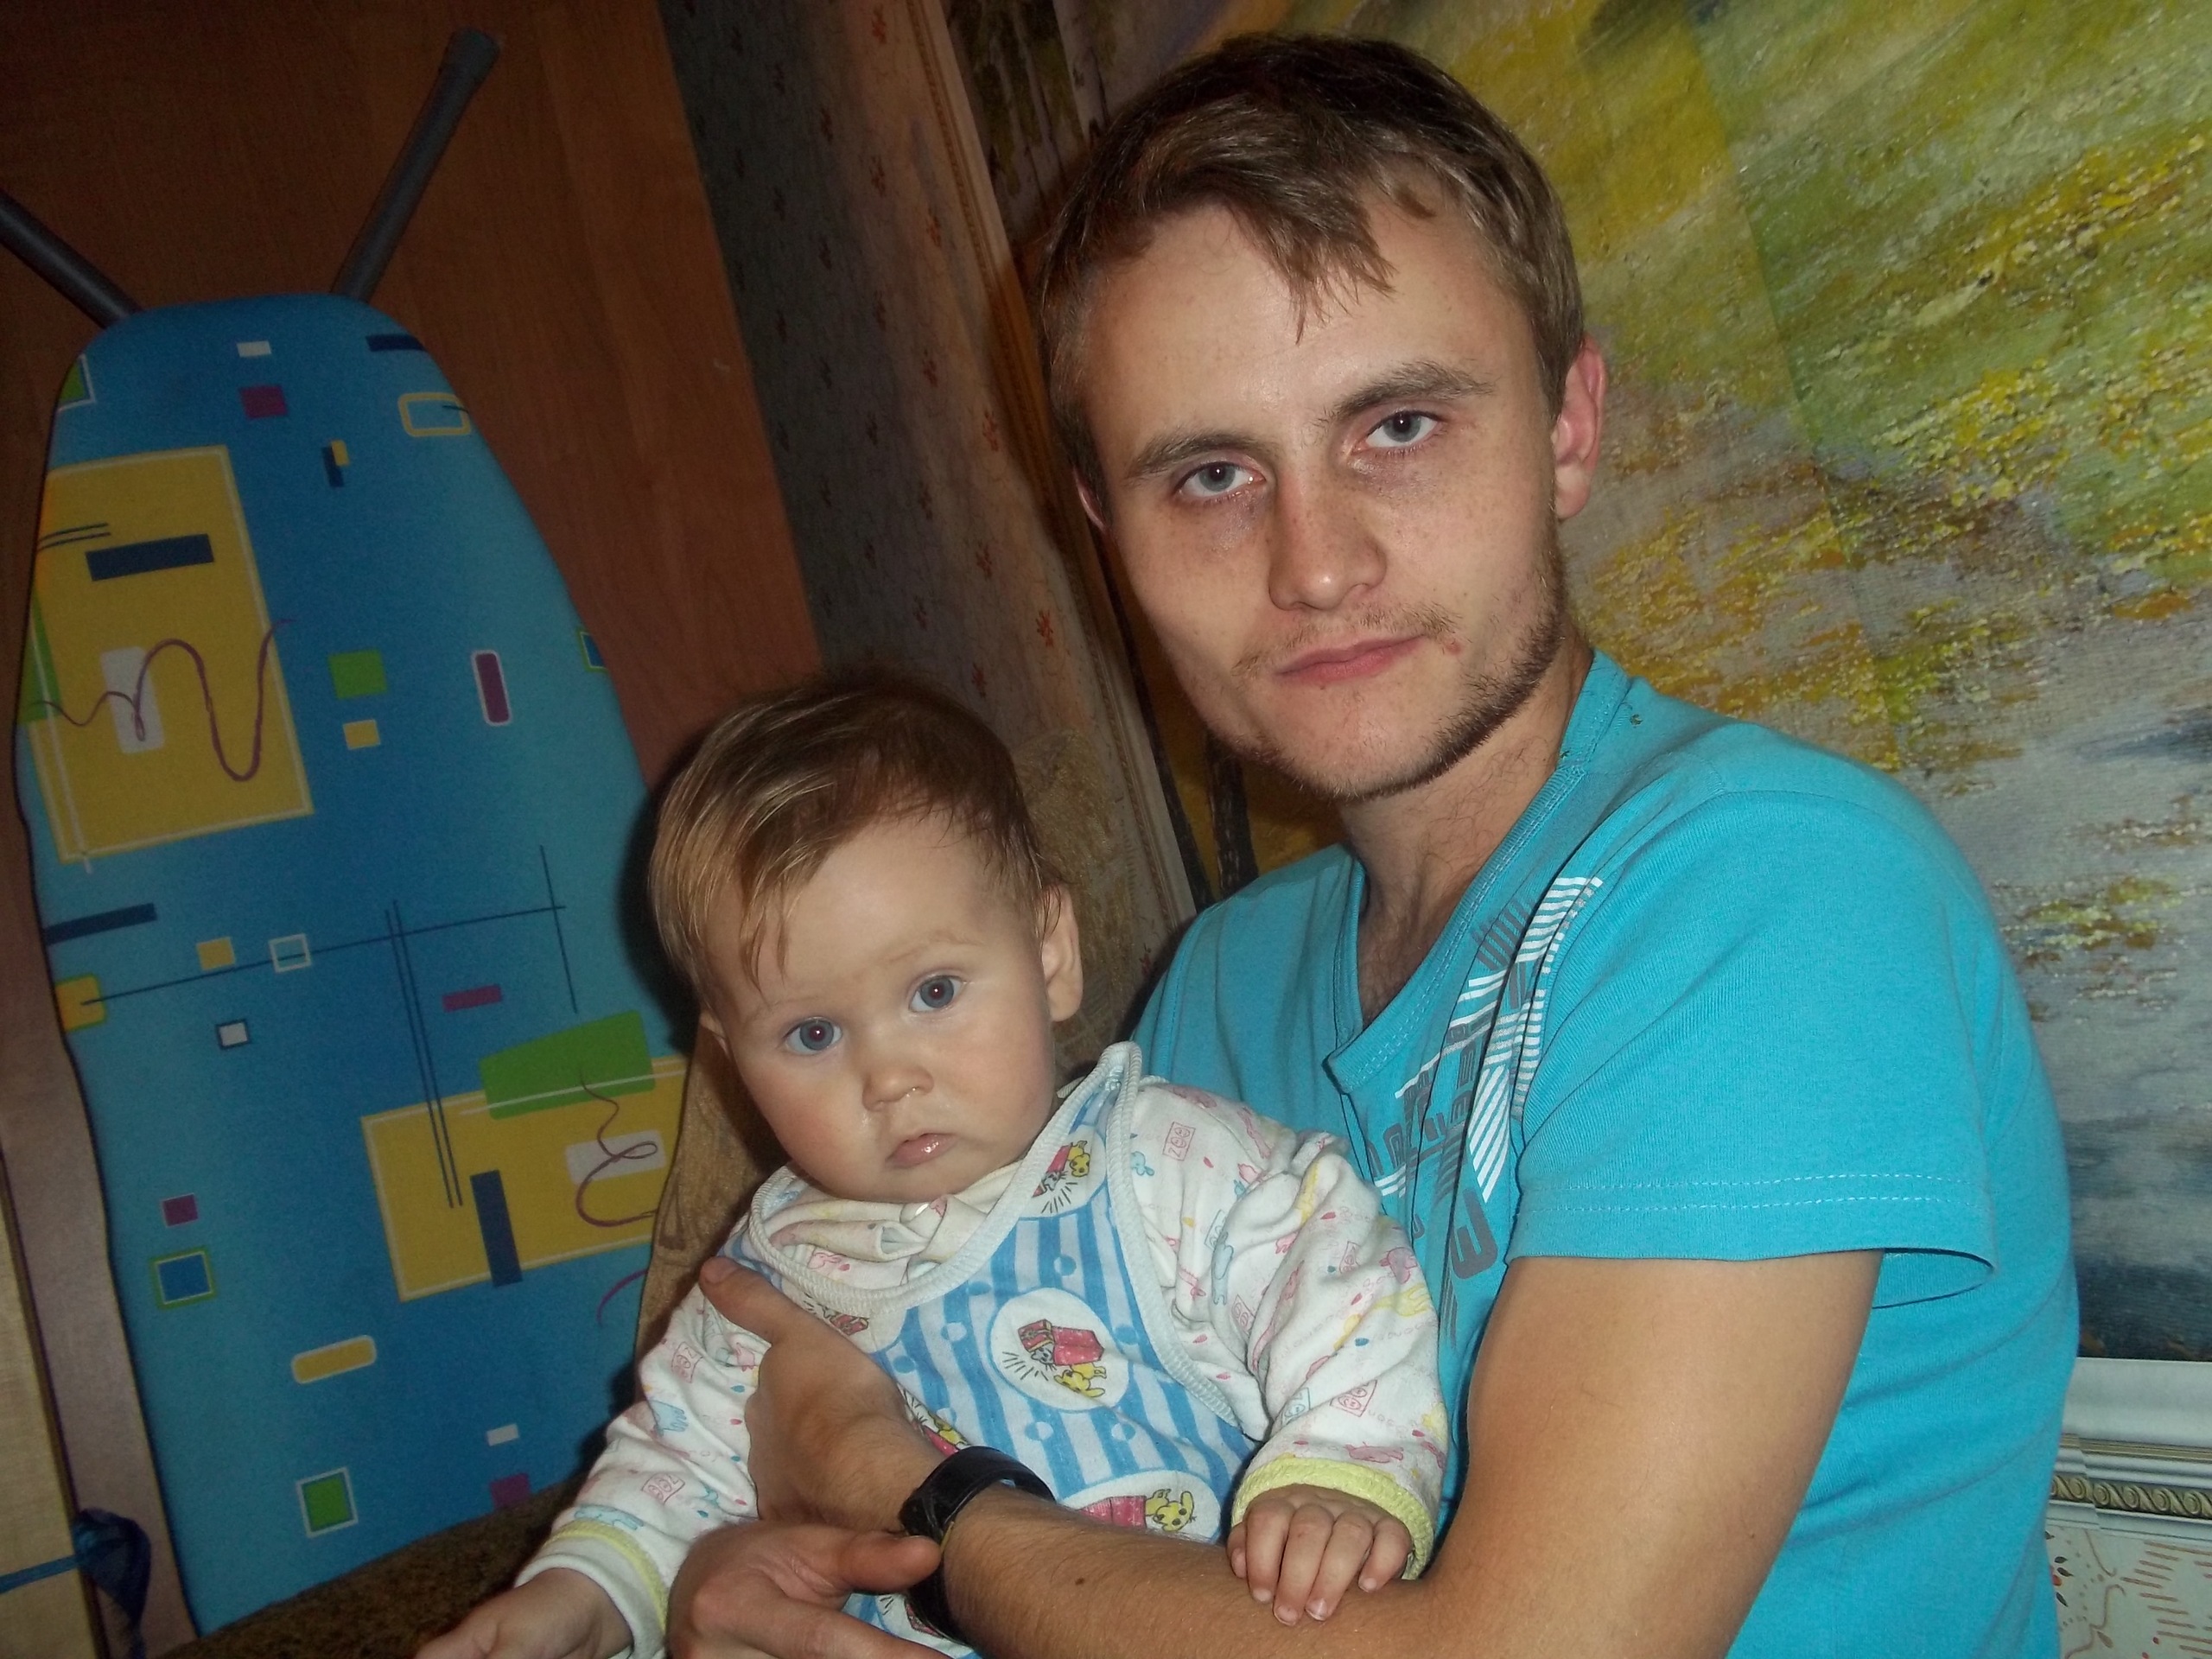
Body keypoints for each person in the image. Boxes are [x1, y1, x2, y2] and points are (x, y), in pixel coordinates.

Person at [665, 32, 2078, 1659]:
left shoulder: (1775, 892)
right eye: (1211, 475)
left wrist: (912, 1504)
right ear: (1108, 537)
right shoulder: (1219, 982)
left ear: (1568, 427)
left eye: (1398, 426)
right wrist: (748, 1561)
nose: (1316, 565)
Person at [420, 675, 1448, 1659]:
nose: (887, 1078)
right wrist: (581, 1597)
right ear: (732, 1063)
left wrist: (1337, 1469)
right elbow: (673, 1469)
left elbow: (1335, 1269)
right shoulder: (767, 1279)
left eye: (934, 992)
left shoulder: (1162, 1162)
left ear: (1049, 955)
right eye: (814, 1034)